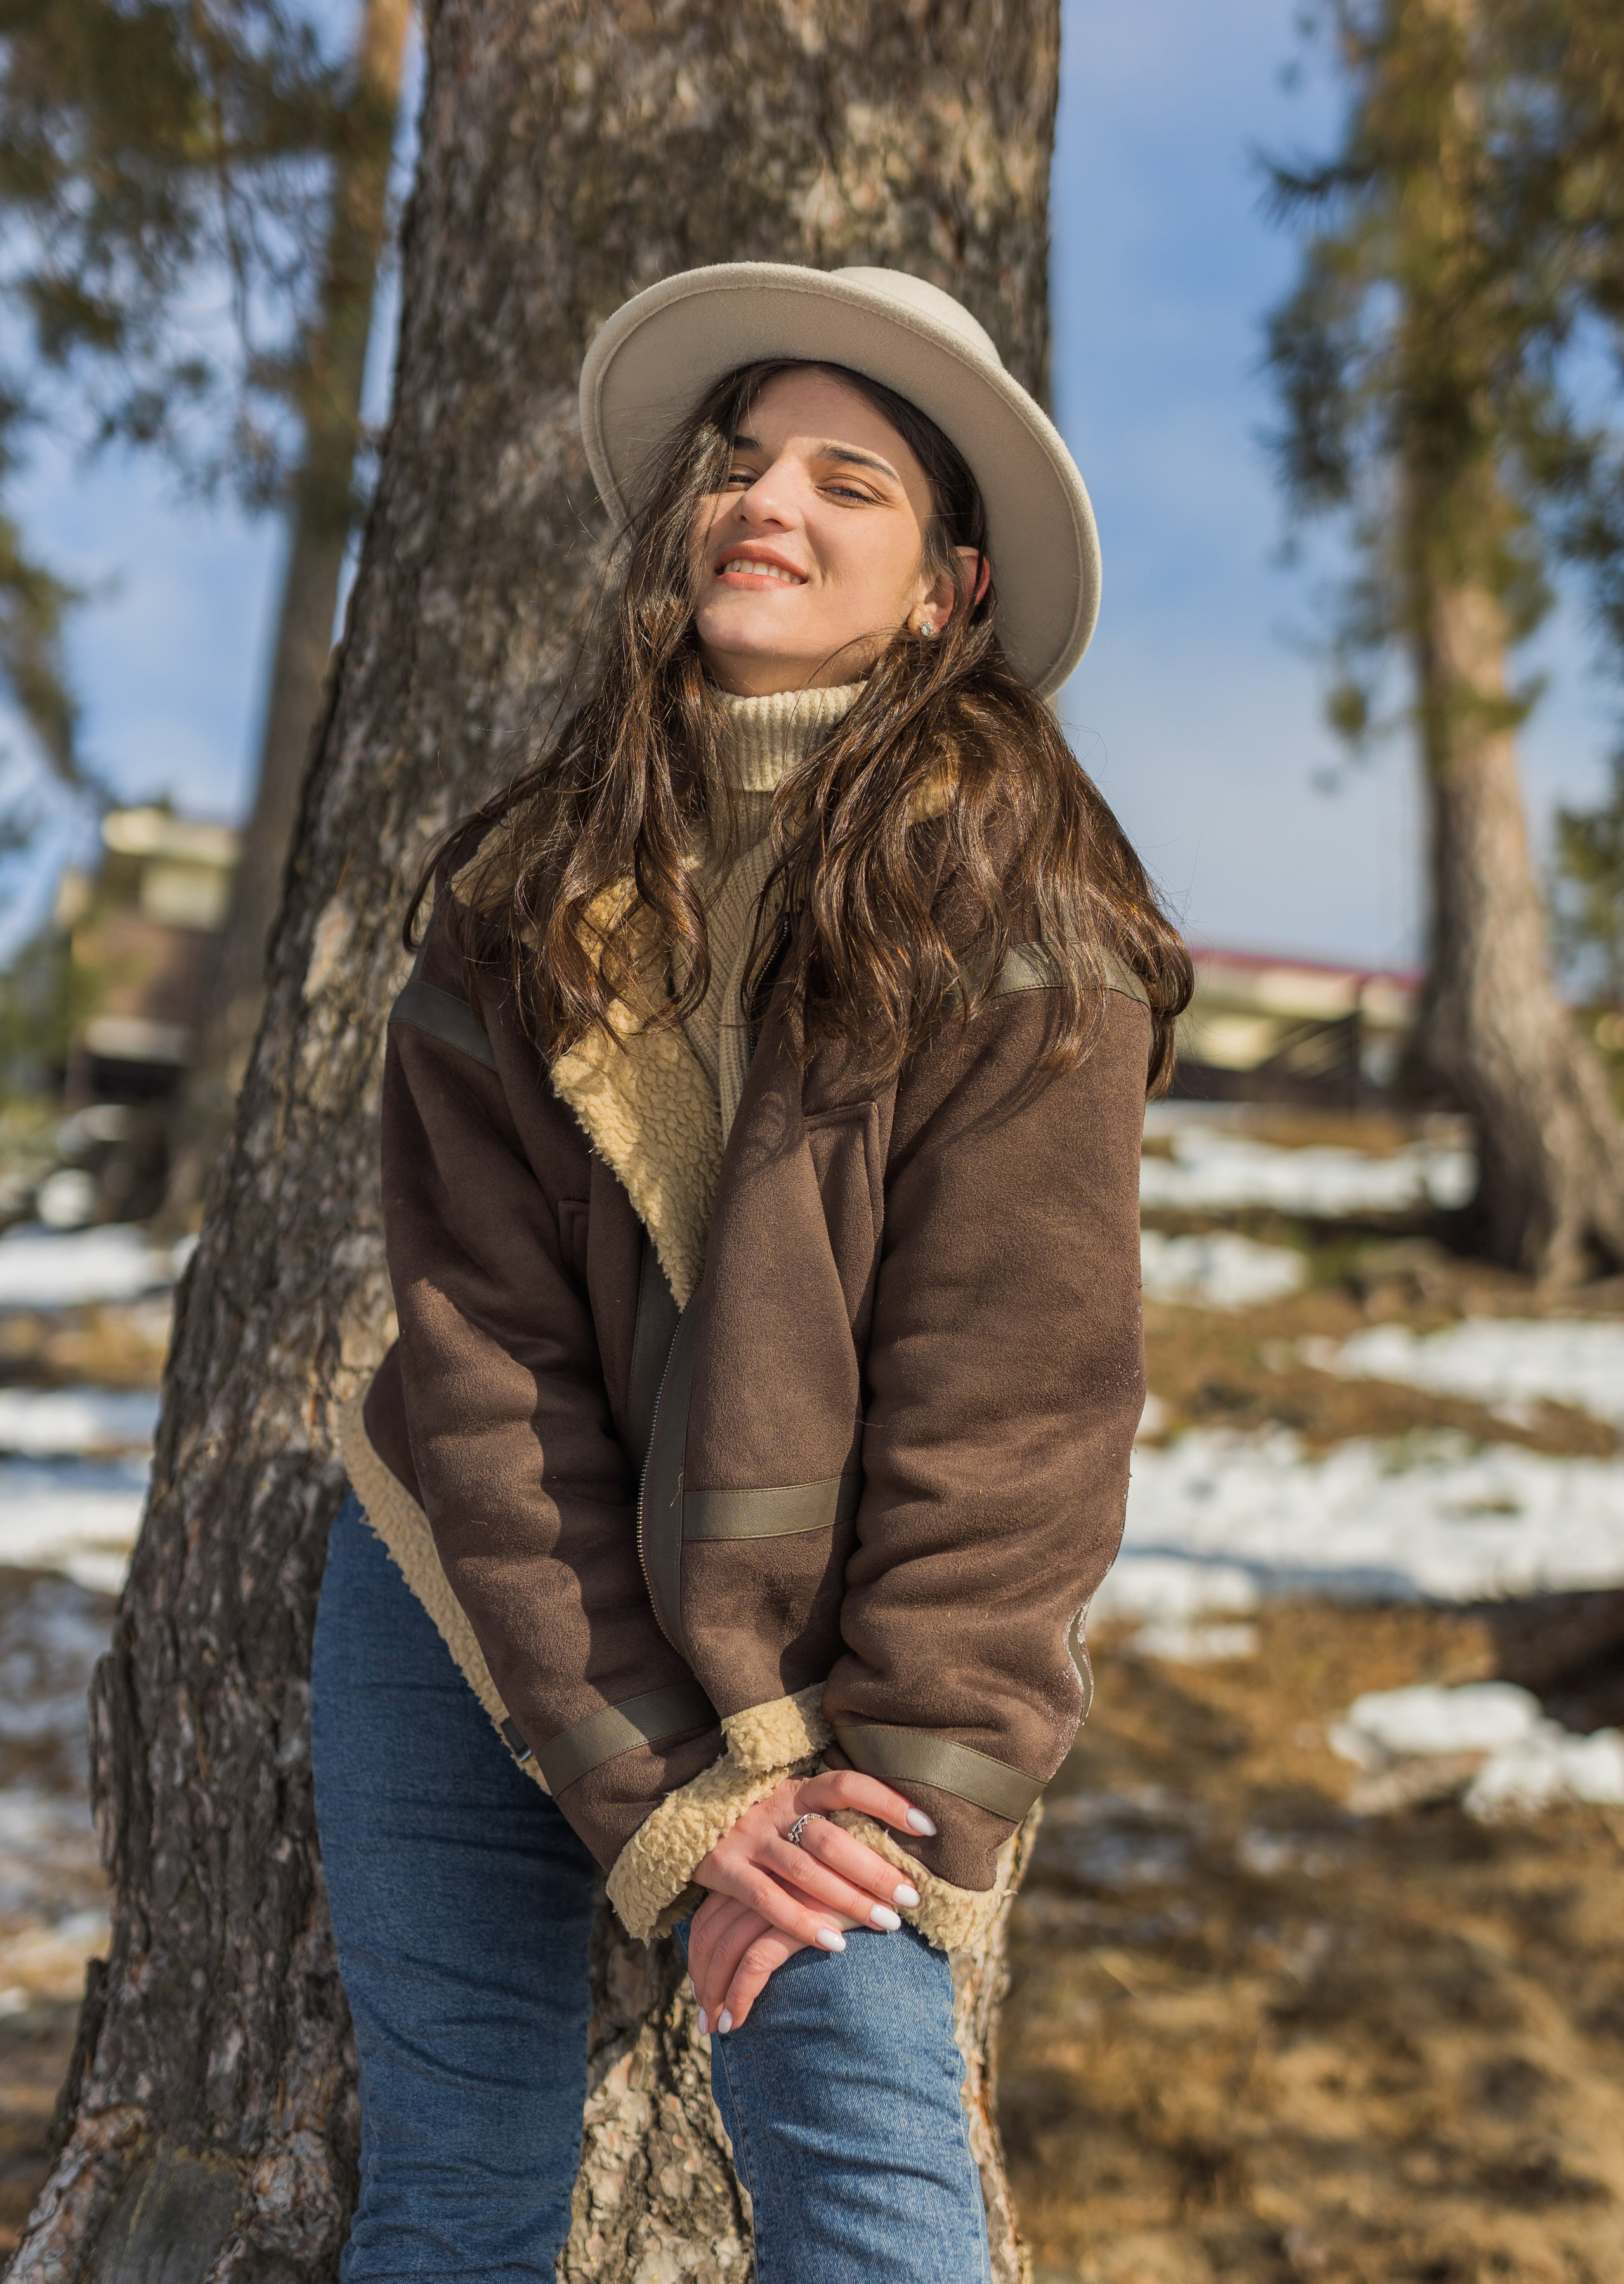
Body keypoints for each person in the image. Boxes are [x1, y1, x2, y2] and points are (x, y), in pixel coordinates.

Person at [313, 261, 1191, 2283]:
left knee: (877, 2211)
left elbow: (1020, 1415)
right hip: (472, 1583)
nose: (763, 502)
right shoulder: (527, 901)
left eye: (846, 479)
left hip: (830, 1686)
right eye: (736, 461)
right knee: (449, 2203)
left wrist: (867, 1790)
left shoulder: (1027, 918)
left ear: (949, 591)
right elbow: (487, 1367)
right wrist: (666, 1802)